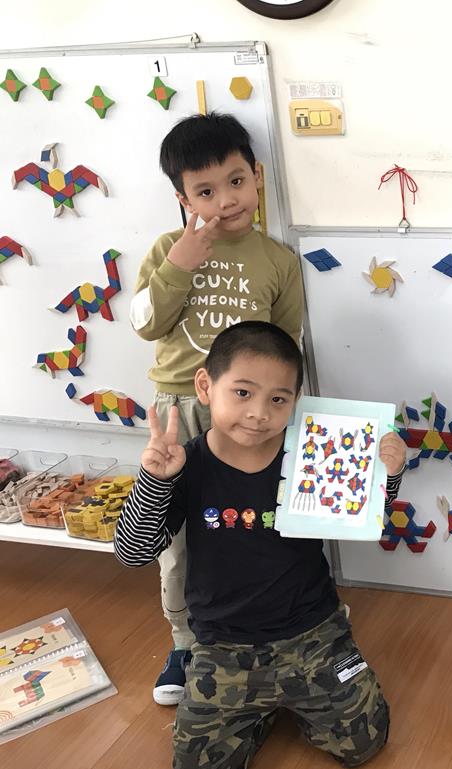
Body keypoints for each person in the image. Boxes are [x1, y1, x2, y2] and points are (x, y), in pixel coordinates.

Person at [115, 321, 405, 768]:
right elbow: (132, 552)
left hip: (313, 632)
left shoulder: (310, 454)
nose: (258, 413)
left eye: (278, 399)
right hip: (222, 646)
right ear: (205, 386)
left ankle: (282, 701)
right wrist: (154, 481)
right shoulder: (186, 465)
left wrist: (389, 474)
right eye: (242, 392)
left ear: (296, 402)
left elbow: (365, 518)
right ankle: (261, 710)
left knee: (364, 743)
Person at [130, 112, 305, 705]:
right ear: (183, 199)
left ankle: (286, 617)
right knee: (180, 539)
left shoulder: (278, 259)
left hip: (252, 415)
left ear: (256, 177)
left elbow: (286, 348)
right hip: (183, 412)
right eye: (205, 191)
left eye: (236, 181)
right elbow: (146, 324)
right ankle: (186, 642)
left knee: (257, 521)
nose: (226, 200)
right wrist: (181, 262)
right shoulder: (167, 249)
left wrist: (286, 413)